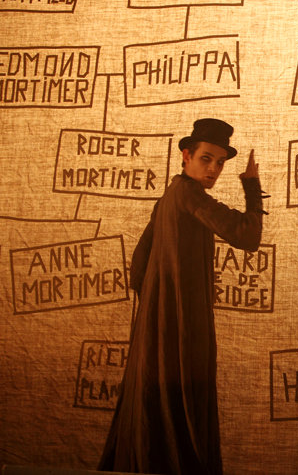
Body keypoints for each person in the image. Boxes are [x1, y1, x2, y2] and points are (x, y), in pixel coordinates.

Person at [98, 118, 266, 475]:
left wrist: (155, 308)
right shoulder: (189, 194)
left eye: (220, 162)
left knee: (156, 402)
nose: (213, 169)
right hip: (180, 325)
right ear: (187, 156)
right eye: (206, 158)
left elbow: (138, 265)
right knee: (180, 405)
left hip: (159, 325)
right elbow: (246, 235)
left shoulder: (171, 194)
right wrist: (252, 187)